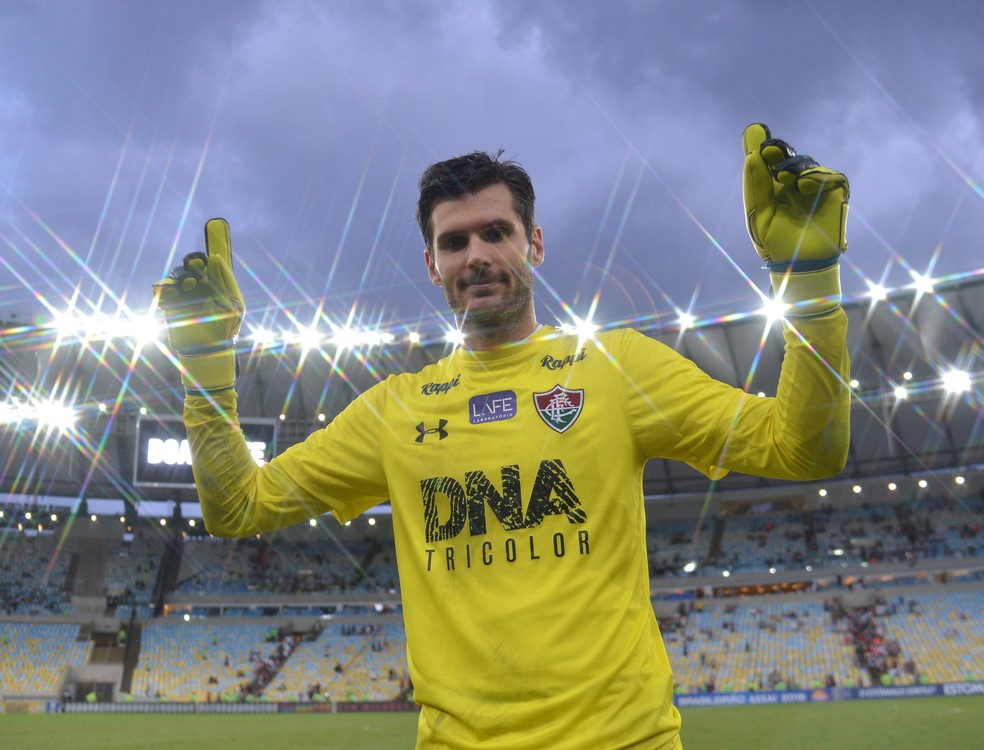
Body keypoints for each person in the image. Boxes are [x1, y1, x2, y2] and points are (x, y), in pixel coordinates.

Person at [153, 123, 851, 749]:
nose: (476, 254)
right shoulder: (395, 412)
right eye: (453, 242)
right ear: (432, 265)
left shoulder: (615, 372)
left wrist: (810, 282)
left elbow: (803, 447)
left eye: (496, 232)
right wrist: (206, 367)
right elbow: (237, 507)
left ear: (534, 243)